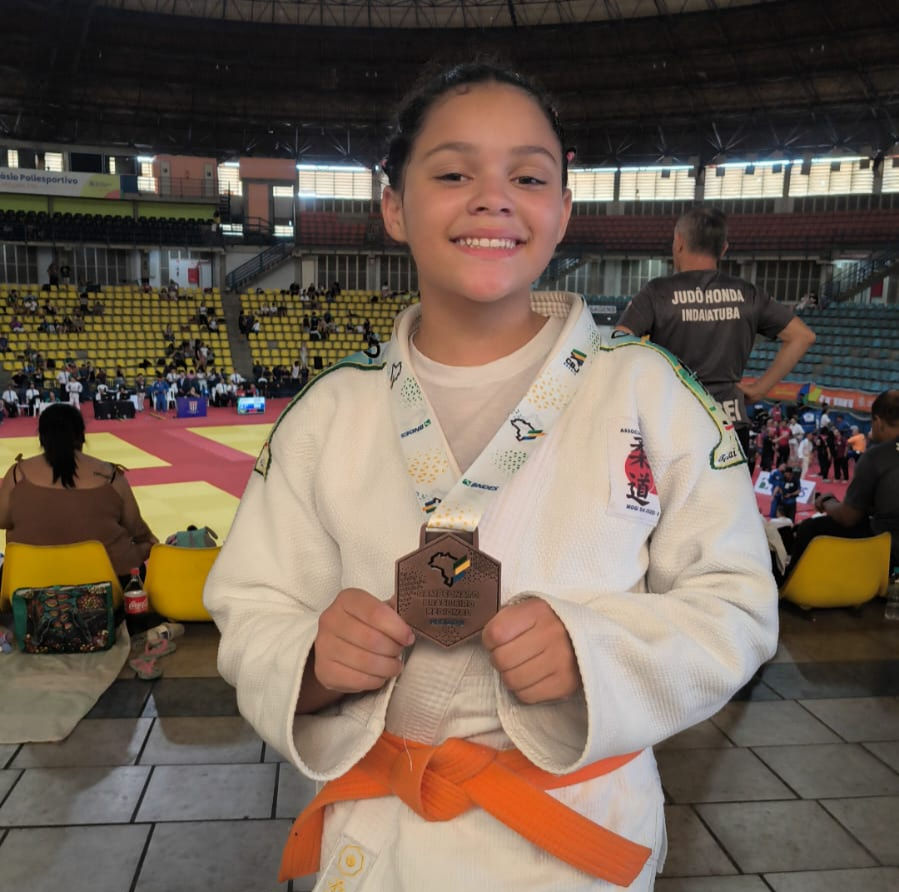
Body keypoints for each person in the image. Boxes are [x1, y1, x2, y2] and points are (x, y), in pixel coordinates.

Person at [203, 62, 777, 892]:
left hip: (575, 835)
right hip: (384, 834)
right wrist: (315, 663)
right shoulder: (329, 410)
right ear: (393, 206)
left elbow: (737, 606)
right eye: (452, 174)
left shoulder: (650, 392)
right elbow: (252, 606)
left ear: (562, 211)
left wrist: (593, 651)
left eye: (528, 177)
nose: (492, 199)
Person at [616, 207, 816, 458]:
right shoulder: (748, 293)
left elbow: (619, 343)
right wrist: (760, 389)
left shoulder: (657, 293)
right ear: (723, 249)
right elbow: (802, 336)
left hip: (673, 422)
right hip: (730, 424)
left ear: (679, 242)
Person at [0, 403, 158, 583]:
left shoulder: (17, 475)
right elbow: (136, 528)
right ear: (81, 437)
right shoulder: (110, 475)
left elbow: (3, 520)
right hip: (108, 583)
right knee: (146, 549)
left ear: (42, 439)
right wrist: (149, 542)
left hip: (28, 582)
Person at [787, 390, 899, 574]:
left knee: (809, 528)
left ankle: (790, 585)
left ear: (878, 421)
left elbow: (848, 517)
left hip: (888, 547)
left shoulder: (876, 456)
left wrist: (827, 502)